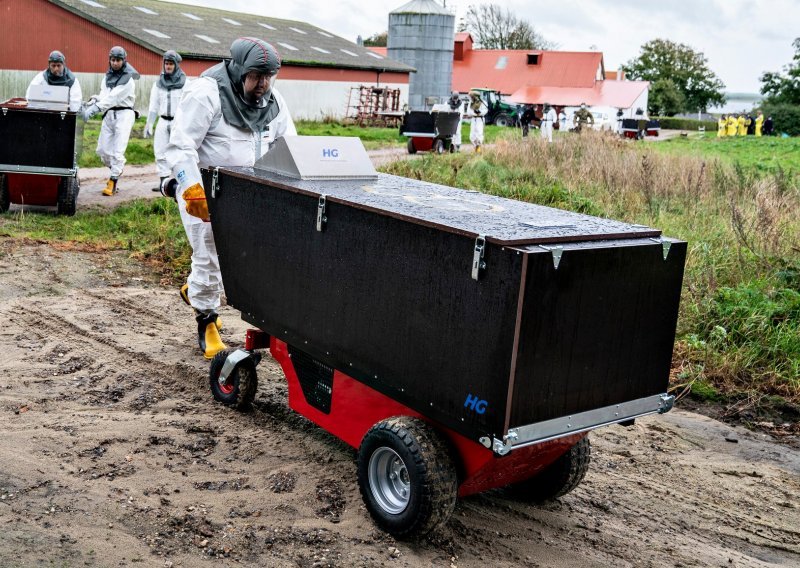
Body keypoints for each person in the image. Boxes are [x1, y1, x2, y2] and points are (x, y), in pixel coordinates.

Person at [163, 37, 296, 359]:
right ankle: (207, 321)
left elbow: (289, 145)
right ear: (238, 70)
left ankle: (196, 290)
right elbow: (181, 146)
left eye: (268, 76)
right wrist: (191, 187)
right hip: (205, 189)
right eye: (255, 76)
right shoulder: (206, 94)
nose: (262, 83)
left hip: (249, 193)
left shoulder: (273, 102)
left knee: (244, 258)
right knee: (209, 253)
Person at [82, 46, 139, 196]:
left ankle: (113, 180)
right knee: (102, 151)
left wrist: (95, 109)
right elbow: (105, 95)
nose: (115, 63)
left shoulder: (128, 80)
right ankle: (116, 169)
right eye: (113, 60)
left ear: (124, 60)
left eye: (118, 60)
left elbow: (113, 98)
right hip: (109, 114)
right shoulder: (107, 76)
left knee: (117, 151)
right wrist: (93, 101)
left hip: (124, 114)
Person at [144, 50, 187, 193]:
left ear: (176, 65)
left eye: (170, 64)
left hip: (177, 122)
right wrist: (149, 123)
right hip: (163, 121)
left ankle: (180, 183)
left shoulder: (184, 82)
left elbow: (188, 105)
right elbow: (153, 104)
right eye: (166, 63)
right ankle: (164, 183)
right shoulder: (159, 83)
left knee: (178, 152)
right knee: (160, 152)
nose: (168, 66)